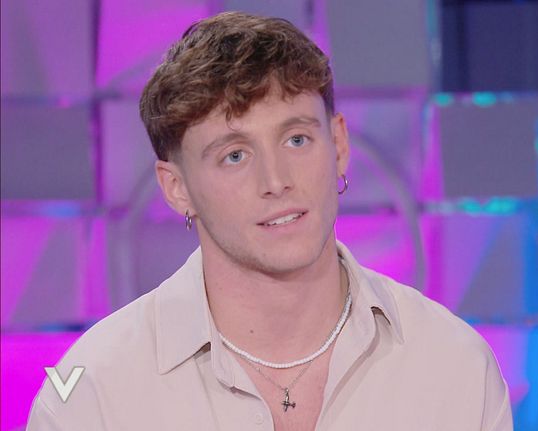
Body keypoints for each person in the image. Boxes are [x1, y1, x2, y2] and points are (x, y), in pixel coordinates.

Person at [27, 11, 513, 430]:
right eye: (235, 155)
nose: (276, 180)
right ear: (177, 189)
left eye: (296, 140)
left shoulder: (454, 366)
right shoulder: (96, 394)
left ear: (338, 145)